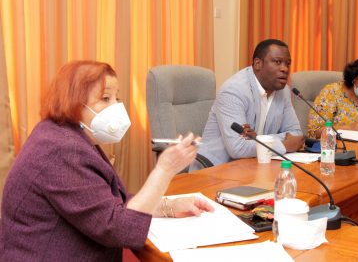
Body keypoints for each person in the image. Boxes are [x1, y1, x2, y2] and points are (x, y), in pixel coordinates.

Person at [0, 61, 214, 261]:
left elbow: (111, 201)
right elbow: (120, 229)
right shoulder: (63, 151)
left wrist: (169, 206)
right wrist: (164, 170)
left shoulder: (63, 134)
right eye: (105, 99)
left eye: (117, 98)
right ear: (73, 102)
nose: (116, 107)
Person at [191, 39, 304, 170]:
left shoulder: (283, 91)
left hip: (255, 167)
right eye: (277, 62)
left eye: (287, 63)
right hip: (216, 171)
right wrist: (285, 145)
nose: (285, 69)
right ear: (258, 63)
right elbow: (238, 148)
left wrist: (260, 139)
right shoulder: (234, 91)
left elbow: (296, 135)